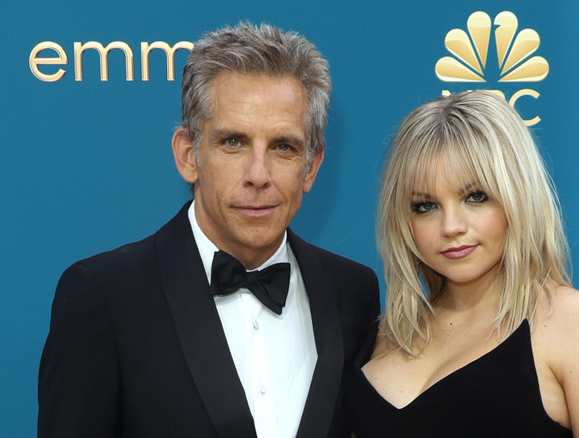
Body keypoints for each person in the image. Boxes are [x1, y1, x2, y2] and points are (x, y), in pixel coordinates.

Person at [38, 23, 379, 438]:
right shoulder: (104, 297)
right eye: (233, 143)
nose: (259, 175)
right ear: (188, 154)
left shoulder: (353, 292)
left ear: (311, 165)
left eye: (283, 147)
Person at [345, 90, 579, 437]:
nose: (451, 227)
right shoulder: (389, 334)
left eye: (475, 197)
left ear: (517, 196)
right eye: (425, 205)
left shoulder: (576, 326)